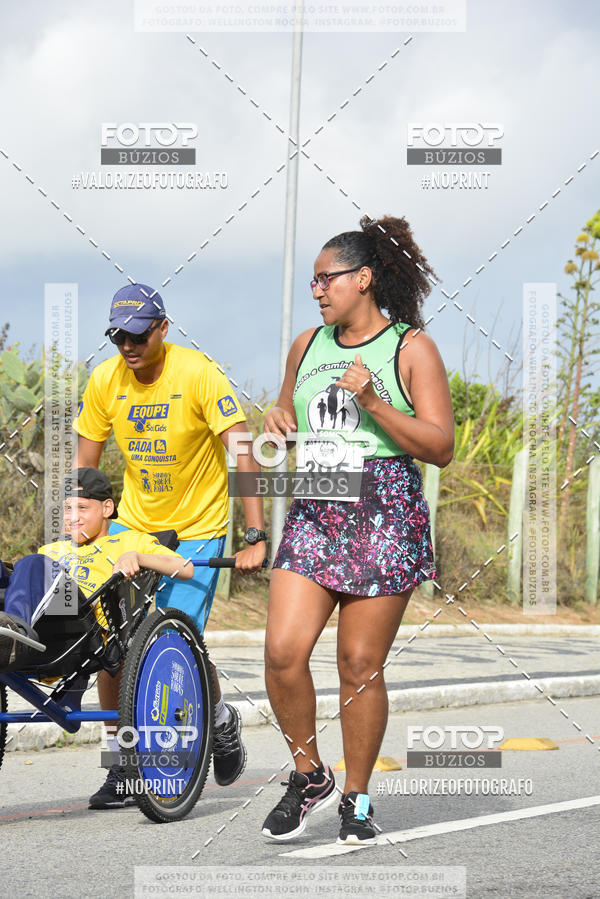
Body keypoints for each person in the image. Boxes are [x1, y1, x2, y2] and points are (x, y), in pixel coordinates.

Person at [262, 215, 454, 845]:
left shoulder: (410, 348)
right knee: (282, 652)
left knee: (359, 663)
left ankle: (358, 796)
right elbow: (286, 412)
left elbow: (440, 446)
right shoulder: (306, 345)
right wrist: (279, 419)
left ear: (364, 278)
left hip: (384, 511)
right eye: (313, 281)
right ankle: (309, 774)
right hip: (317, 506)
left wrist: (375, 403)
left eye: (328, 278)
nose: (317, 290)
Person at [73, 283, 267, 807]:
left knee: (171, 640)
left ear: (163, 328)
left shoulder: (197, 373)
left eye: (138, 336)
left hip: (197, 528)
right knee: (112, 646)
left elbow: (243, 450)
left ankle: (218, 719)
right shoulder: (106, 379)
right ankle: (120, 767)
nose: (127, 347)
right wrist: (80, 527)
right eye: (118, 337)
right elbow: (85, 466)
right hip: (132, 526)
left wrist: (254, 534)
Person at [0, 467, 191, 668]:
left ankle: (13, 635)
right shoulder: (51, 549)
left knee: (34, 563)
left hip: (81, 628)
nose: (72, 517)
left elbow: (186, 568)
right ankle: (9, 631)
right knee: (24, 566)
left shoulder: (129, 542)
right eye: (67, 509)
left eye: (82, 507)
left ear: (106, 508)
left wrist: (137, 557)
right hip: (39, 621)